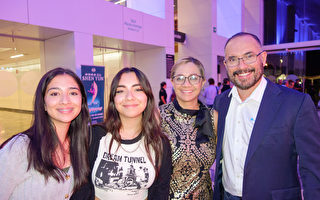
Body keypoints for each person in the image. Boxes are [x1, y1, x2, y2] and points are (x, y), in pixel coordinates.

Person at [213, 32, 320, 200]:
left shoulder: (296, 103)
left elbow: (314, 168)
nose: (241, 66)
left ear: (263, 58)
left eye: (248, 56)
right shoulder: (221, 102)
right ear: (226, 64)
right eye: (233, 59)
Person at [71, 67, 172, 200]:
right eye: (120, 90)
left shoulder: (160, 143)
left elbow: (160, 191)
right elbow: (80, 187)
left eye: (138, 89)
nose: (129, 97)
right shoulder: (94, 135)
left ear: (148, 96)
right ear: (113, 98)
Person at [0, 67, 91, 199]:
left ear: (81, 101)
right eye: (55, 94)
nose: (65, 100)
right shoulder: (20, 148)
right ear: (43, 103)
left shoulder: (78, 144)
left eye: (73, 93)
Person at [159, 57, 216, 199]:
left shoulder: (214, 117)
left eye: (193, 78)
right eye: (180, 78)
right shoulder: (157, 116)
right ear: (172, 81)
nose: (186, 83)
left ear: (202, 81)